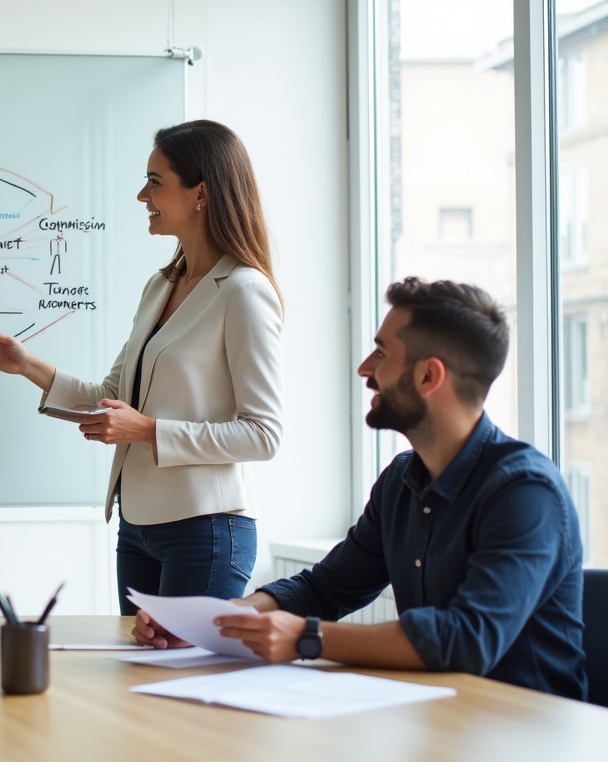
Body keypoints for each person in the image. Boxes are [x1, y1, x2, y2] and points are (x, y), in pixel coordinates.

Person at [133, 278, 588, 700]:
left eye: (381, 354)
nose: (364, 369)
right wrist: (218, 623)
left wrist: (306, 638)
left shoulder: (525, 492)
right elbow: (323, 589)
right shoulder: (401, 482)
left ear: (429, 377)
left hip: (527, 735)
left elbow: (465, 639)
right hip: (442, 721)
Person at [0, 119, 283, 610]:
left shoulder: (244, 292)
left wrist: (147, 431)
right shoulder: (161, 286)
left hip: (206, 528)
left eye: (155, 182)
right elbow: (113, 396)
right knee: (136, 682)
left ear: (200, 193)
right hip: (137, 527)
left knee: (181, 682)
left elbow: (263, 435)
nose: (143, 195)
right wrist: (27, 365)